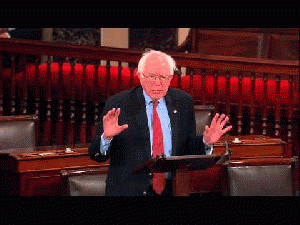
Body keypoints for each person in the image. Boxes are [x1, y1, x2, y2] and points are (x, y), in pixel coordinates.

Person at [89, 49, 232, 196]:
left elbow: (187, 149)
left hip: (173, 189)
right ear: (140, 76)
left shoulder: (182, 101)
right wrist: (106, 138)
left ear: (171, 78)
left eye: (164, 77)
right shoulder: (119, 103)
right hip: (129, 190)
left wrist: (206, 142)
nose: (158, 83)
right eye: (152, 76)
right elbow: (97, 155)